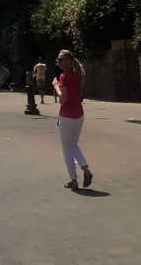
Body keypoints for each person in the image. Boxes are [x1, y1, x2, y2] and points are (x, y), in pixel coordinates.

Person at [52, 49, 93, 191]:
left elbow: (63, 98)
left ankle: (73, 179)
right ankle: (85, 169)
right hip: (78, 114)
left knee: (67, 148)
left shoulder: (64, 76)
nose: (58, 62)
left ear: (67, 60)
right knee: (73, 145)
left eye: (60, 59)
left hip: (67, 114)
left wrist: (56, 86)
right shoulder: (78, 76)